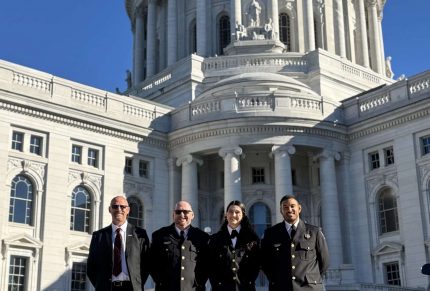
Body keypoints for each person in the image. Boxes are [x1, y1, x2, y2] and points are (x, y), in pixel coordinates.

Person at [261, 195, 329, 291]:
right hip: (281, 287)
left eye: (293, 206)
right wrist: (277, 279)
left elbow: (324, 262)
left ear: (299, 208)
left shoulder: (314, 232)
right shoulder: (271, 233)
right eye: (285, 207)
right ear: (281, 211)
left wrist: (312, 279)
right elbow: (265, 262)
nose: (289, 209)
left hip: (309, 288)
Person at [87, 196, 150, 291]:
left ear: (128, 210)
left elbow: (147, 264)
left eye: (122, 207)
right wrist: (101, 285)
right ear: (109, 209)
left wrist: (137, 283)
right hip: (107, 288)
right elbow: (91, 267)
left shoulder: (140, 234)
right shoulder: (99, 236)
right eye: (115, 206)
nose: (119, 209)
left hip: (132, 287)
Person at [150, 201, 210, 291]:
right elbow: (152, 262)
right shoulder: (160, 235)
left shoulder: (202, 237)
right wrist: (161, 281)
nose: (182, 215)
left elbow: (207, 264)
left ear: (192, 215)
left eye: (186, 212)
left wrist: (199, 282)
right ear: (173, 215)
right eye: (178, 212)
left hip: (193, 289)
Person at [205, 200, 260, 291]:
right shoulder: (215, 239)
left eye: (237, 212)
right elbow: (210, 266)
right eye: (230, 212)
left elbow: (256, 265)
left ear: (243, 215)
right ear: (226, 215)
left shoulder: (252, 240)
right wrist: (217, 284)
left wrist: (248, 282)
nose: (233, 215)